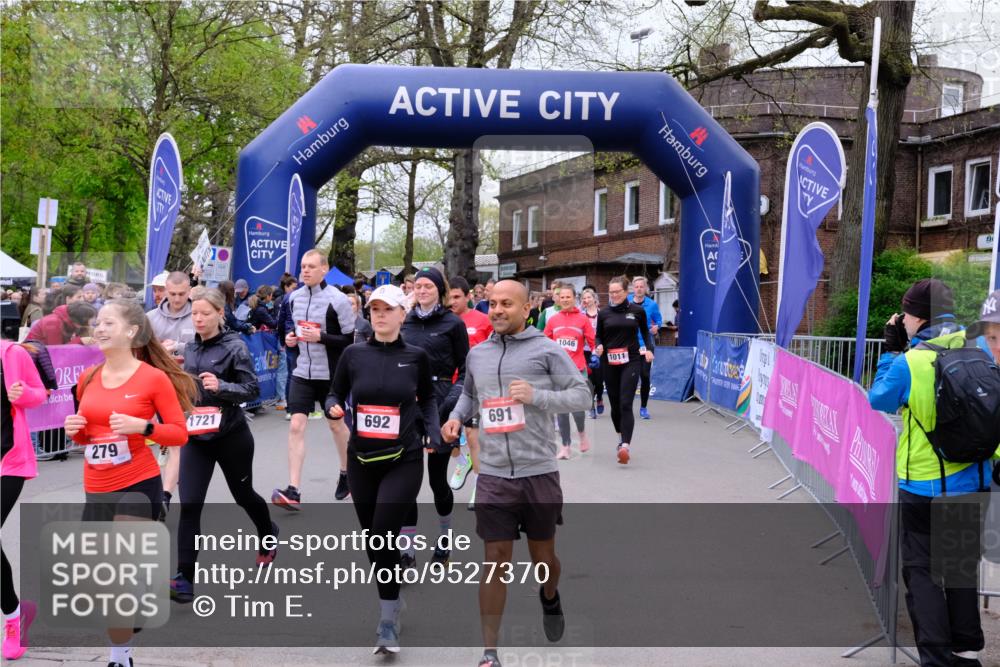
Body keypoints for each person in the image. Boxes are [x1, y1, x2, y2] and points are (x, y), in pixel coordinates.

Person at [441, 280, 591, 667]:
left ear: (527, 309)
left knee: (544, 558)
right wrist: (456, 418)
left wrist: (538, 396)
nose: (497, 310)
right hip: (491, 473)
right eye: (492, 304)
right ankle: (489, 652)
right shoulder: (479, 354)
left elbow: (582, 395)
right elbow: (470, 395)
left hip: (537, 471)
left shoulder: (546, 350)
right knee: (496, 558)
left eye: (507, 303)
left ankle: (549, 595)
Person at [868, 280, 995, 667]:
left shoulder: (911, 361)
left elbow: (879, 399)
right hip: (974, 481)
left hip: (923, 486)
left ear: (918, 316)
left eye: (905, 313)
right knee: (959, 570)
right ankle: (967, 652)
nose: (902, 320)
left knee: (922, 573)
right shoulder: (983, 349)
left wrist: (891, 351)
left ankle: (936, 658)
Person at [63, 299, 196, 667]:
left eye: (109, 322)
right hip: (97, 486)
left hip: (138, 483)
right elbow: (89, 438)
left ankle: (119, 658)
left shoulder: (153, 378)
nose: (100, 328)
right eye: (98, 323)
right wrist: (76, 431)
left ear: (131, 331)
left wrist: (145, 427)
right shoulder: (87, 377)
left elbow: (179, 435)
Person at [325, 284, 440, 655]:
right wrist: (333, 408)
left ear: (402, 314)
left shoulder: (416, 356)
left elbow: (429, 398)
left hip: (403, 458)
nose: (380, 314)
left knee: (382, 531)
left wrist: (433, 430)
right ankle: (392, 601)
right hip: (362, 460)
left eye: (388, 309)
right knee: (375, 543)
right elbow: (334, 393)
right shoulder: (353, 354)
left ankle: (387, 621)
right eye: (374, 309)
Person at [169, 289, 279, 602]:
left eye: (205, 313)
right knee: (189, 504)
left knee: (243, 495)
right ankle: (184, 578)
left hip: (231, 436)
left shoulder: (236, 346)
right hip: (197, 438)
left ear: (220, 313)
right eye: (194, 314)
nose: (199, 319)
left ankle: (267, 532)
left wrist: (222, 386)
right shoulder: (190, 347)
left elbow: (252, 389)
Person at [274, 249, 355, 508]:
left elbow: (350, 340)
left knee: (335, 426)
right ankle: (294, 490)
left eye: (311, 267)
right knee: (296, 426)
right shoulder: (293, 298)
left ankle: (347, 473)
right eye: (303, 267)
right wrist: (289, 339)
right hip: (302, 372)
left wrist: (321, 338)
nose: (305, 271)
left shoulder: (338, 299)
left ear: (324, 269)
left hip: (331, 375)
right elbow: (287, 331)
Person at [398, 267, 468, 566]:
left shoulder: (453, 323)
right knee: (407, 483)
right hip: (407, 405)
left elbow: (465, 372)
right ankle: (408, 550)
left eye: (429, 286)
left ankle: (444, 538)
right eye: (418, 286)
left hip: (440, 401)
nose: (422, 291)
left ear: (440, 291)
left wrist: (448, 406)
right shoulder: (405, 320)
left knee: (438, 482)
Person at [1, 340, 47, 660]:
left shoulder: (12, 354)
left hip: (9, 461)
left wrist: (23, 395)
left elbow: (39, 393)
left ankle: (12, 619)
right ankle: (16, 611)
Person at [146, 271, 196, 518]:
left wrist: (179, 348)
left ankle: (165, 496)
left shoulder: (198, 315)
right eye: (172, 294)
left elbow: (207, 345)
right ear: (165, 291)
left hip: (185, 386)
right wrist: (158, 353)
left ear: (189, 291)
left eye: (182, 294)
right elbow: (140, 351)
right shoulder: (151, 318)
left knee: (176, 442)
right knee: (153, 440)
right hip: (152, 386)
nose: (177, 299)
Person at [594, 276, 653, 465]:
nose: (614, 295)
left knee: (626, 403)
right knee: (615, 404)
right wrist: (599, 346)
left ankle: (625, 445)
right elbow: (598, 337)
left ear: (625, 292)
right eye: (611, 292)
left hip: (632, 360)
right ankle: (621, 437)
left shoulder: (637, 311)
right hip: (609, 362)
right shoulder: (603, 313)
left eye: (617, 292)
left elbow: (645, 332)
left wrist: (649, 349)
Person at [446, 276, 493, 501]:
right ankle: (462, 462)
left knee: (472, 437)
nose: (452, 301)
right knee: (447, 438)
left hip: (473, 385)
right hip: (447, 384)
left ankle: (479, 485)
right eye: (449, 297)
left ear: (468, 297)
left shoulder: (484, 320)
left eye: (457, 297)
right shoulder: (443, 321)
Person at [544, 284, 595, 459]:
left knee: (577, 408)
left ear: (575, 299)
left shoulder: (583, 320)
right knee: (561, 409)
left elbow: (593, 341)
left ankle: (581, 434)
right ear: (558, 299)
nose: (565, 300)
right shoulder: (553, 320)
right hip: (558, 372)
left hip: (578, 369)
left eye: (568, 297)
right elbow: (545, 343)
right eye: (562, 297)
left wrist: (596, 354)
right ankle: (565, 446)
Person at [627, 276, 663, 420]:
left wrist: (656, 327)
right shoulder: (627, 302)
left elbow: (659, 320)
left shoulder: (651, 304)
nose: (639, 289)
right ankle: (627, 407)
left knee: (645, 375)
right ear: (633, 288)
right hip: (629, 344)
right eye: (636, 286)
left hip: (646, 344)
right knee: (630, 377)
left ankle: (643, 407)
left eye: (642, 286)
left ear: (646, 288)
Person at [26, 301, 96, 345]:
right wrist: (79, 341)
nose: (90, 323)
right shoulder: (53, 323)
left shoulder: (67, 319)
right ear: (78, 321)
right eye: (90, 320)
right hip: (34, 357)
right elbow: (56, 350)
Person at [580, 288, 604, 418]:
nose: (586, 300)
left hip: (599, 351)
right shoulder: (581, 315)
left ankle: (599, 397)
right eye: (584, 298)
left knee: (599, 380)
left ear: (594, 299)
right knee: (588, 380)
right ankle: (591, 407)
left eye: (589, 297)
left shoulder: (603, 314)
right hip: (585, 351)